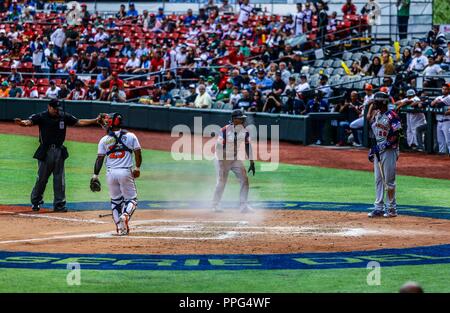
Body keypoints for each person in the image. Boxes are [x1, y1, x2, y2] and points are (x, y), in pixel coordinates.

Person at [14, 99, 102, 212]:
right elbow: (29, 122)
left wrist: (95, 121)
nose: (57, 110)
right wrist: (22, 123)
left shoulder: (63, 116)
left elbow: (79, 122)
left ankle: (59, 204)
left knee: (59, 179)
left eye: (58, 108)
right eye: (55, 108)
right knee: (41, 179)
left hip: (59, 151)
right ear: (49, 107)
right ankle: (36, 201)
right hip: (45, 151)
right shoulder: (42, 116)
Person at [92, 113, 142, 236]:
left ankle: (120, 229)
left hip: (110, 174)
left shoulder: (104, 140)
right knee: (132, 199)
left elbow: (99, 159)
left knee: (115, 201)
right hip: (125, 172)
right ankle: (125, 215)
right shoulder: (131, 136)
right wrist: (137, 168)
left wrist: (95, 175)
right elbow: (138, 153)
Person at [212, 109, 255, 213]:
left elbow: (247, 146)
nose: (243, 121)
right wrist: (222, 164)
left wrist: (252, 162)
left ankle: (243, 205)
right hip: (222, 158)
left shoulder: (245, 131)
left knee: (245, 179)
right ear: (234, 120)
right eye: (241, 119)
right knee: (222, 181)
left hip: (234, 158)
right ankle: (215, 205)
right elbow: (218, 148)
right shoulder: (224, 130)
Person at [367, 92, 402, 218]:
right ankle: (379, 208)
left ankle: (392, 209)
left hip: (389, 150)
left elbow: (397, 134)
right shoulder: (377, 115)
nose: (374, 103)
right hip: (378, 150)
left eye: (376, 102)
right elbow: (374, 131)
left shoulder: (392, 116)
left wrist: (381, 146)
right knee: (378, 179)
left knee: (389, 180)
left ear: (383, 102)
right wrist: (373, 149)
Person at [430, 83, 450, 154]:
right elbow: (431, 104)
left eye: (446, 89)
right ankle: (442, 154)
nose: (444, 90)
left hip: (447, 121)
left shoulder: (449, 97)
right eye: (443, 89)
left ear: (449, 90)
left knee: (448, 140)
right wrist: (435, 102)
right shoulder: (439, 97)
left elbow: (439, 105)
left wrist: (436, 102)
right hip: (439, 121)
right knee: (440, 140)